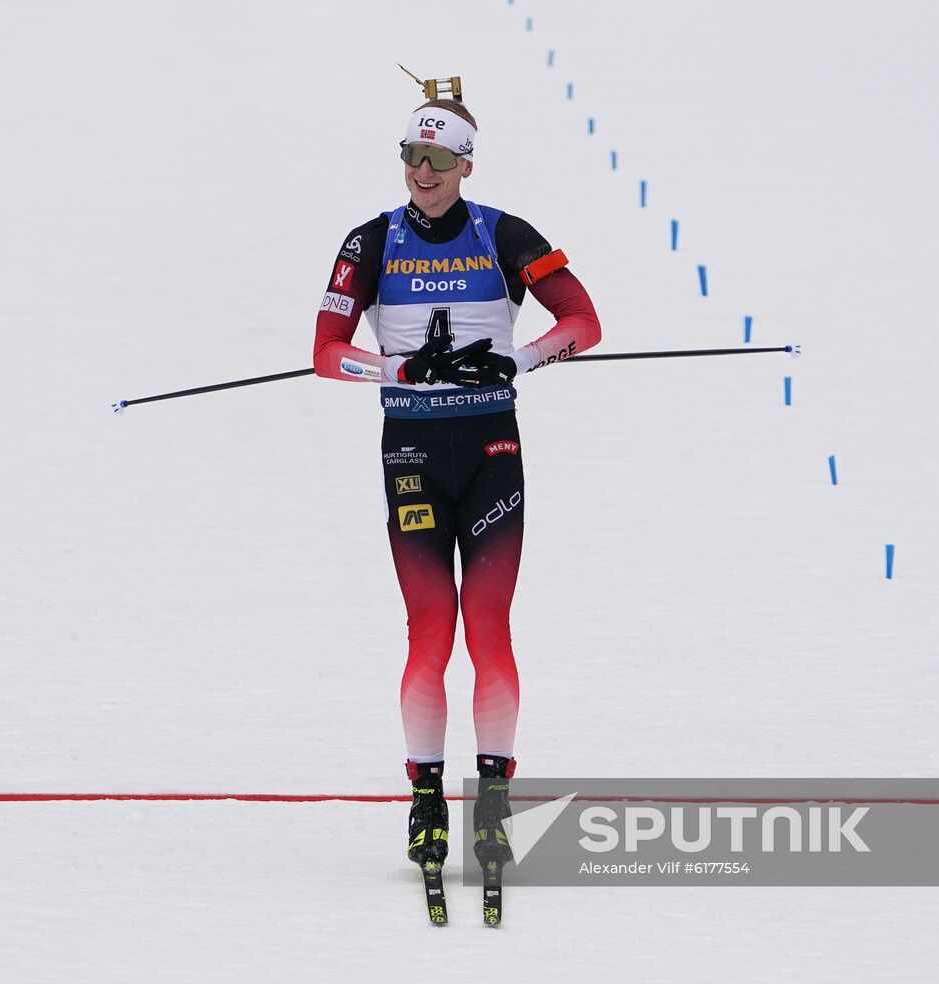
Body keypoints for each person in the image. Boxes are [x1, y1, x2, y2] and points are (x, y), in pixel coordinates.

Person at [312, 91, 601, 876]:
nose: (423, 173)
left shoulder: (505, 233)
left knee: (489, 631)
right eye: (411, 156)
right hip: (410, 449)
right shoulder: (370, 241)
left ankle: (496, 803)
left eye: (439, 159)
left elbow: (583, 322)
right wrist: (397, 367)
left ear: (466, 163)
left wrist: (518, 358)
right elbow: (327, 351)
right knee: (431, 632)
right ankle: (428, 800)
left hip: (490, 446)